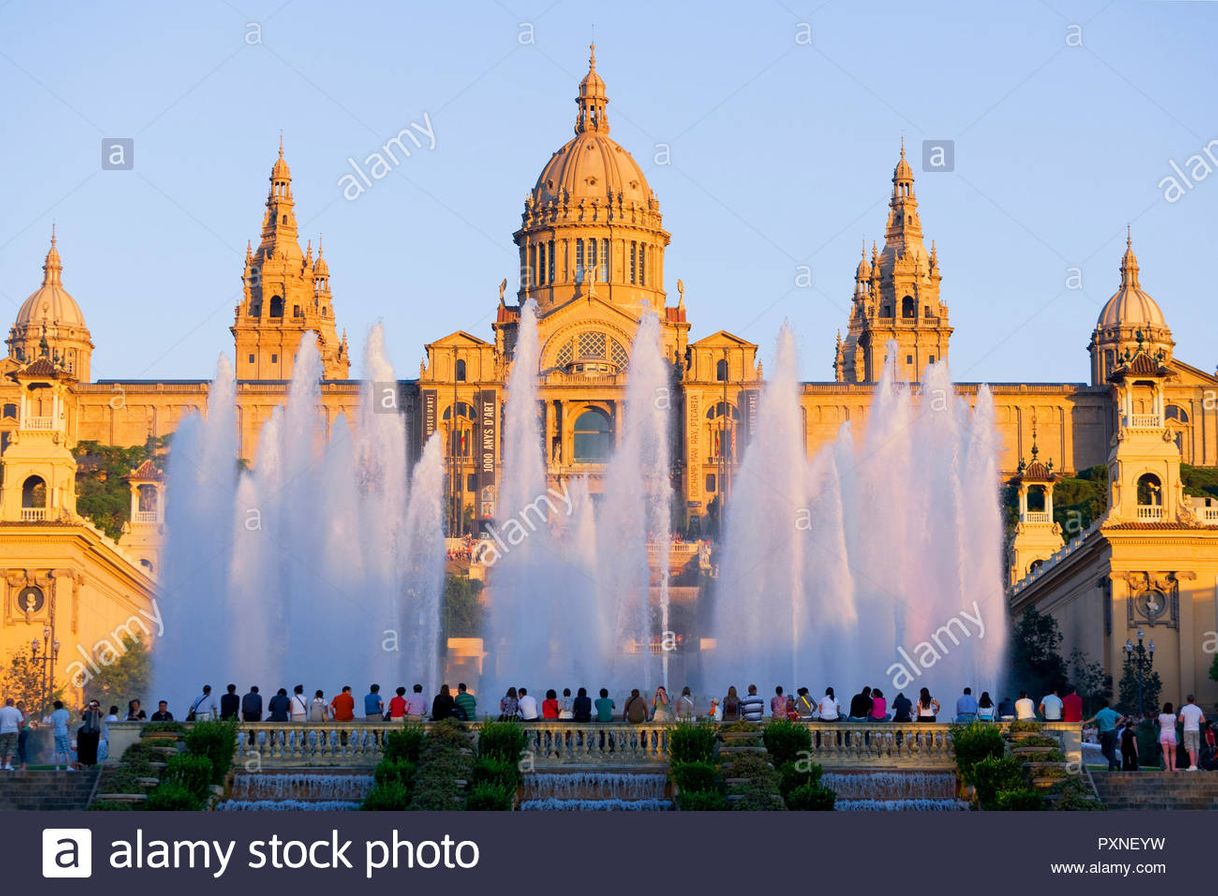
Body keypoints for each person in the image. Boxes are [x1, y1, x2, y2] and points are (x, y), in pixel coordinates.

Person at [1085, 700, 1122, 771]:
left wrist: (1085, 722)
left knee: (1105, 751)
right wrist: (1116, 725)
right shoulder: (1112, 712)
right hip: (1113, 732)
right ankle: (1116, 762)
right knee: (1111, 750)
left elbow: (1094, 718)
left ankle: (1112, 768)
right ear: (1108, 705)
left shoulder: (1101, 712)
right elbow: (1122, 717)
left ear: (1102, 706)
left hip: (1105, 733)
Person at [1178, 694, 1206, 772]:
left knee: (1190, 747)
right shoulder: (1198, 709)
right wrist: (1196, 721)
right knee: (1196, 747)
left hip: (1187, 730)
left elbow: (1180, 719)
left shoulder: (1184, 708)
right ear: (1194, 700)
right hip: (1196, 730)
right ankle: (1195, 765)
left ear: (1187, 700)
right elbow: (1203, 720)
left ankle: (1193, 765)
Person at [50, 700, 73, 771]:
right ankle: (68, 767)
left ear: (55, 707)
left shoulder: (53, 714)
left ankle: (57, 767)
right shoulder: (65, 712)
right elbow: (68, 723)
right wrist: (69, 730)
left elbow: (52, 725)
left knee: (57, 751)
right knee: (66, 750)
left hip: (57, 734)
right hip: (64, 733)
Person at [78, 700, 103, 766]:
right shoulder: (87, 712)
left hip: (95, 731)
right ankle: (85, 762)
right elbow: (80, 713)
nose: (94, 706)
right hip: (87, 731)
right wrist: (85, 706)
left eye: (96, 704)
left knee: (94, 748)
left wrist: (97, 707)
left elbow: (102, 714)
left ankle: (93, 762)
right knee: (86, 748)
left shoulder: (98, 712)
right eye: (93, 704)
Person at [0, 698, 22, 771]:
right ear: (13, 703)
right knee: (11, 748)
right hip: (13, 731)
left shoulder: (1, 711)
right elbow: (19, 723)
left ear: (6, 703)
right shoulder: (16, 711)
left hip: (3, 731)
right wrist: (19, 731)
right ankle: (7, 765)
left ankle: (0, 764)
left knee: (1, 748)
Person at [1157, 702, 1178, 772]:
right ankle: (1174, 768)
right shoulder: (1174, 716)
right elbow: (1175, 725)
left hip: (1163, 734)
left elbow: (1160, 724)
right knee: (1173, 753)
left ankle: (1168, 768)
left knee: (1165, 752)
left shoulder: (1160, 716)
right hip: (1171, 734)